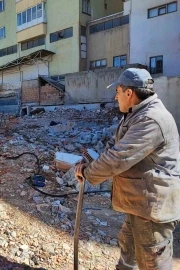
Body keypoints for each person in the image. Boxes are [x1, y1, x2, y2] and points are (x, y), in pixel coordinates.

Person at [74, 68, 180, 270]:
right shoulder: (137, 114)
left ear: (129, 93)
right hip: (140, 204)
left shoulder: (150, 119)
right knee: (128, 254)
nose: (115, 97)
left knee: (153, 263)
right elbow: (116, 150)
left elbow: (119, 157)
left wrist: (88, 173)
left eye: (118, 91)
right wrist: (92, 165)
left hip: (152, 209)